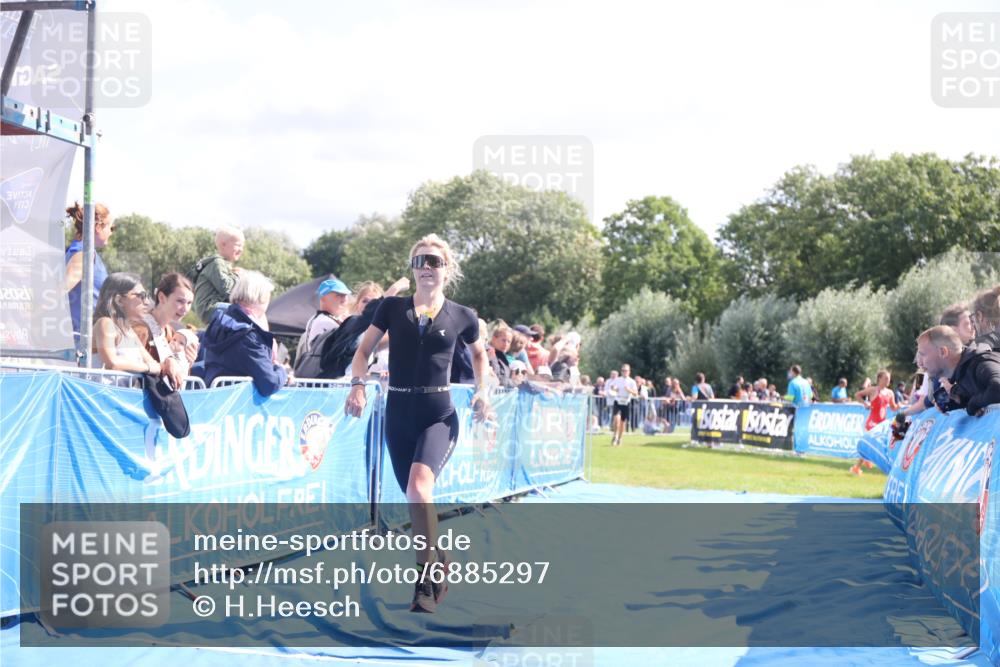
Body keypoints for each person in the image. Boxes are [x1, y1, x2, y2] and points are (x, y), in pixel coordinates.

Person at [344, 234, 491, 614]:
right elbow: (362, 353)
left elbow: (480, 357)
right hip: (398, 412)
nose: (427, 266)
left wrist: (483, 391)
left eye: (435, 261)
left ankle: (425, 581)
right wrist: (358, 385)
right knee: (414, 500)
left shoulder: (463, 316)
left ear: (447, 269)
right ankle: (438, 553)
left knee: (419, 488)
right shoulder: (390, 308)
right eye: (420, 260)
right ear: (412, 268)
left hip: (438, 414)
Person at [199, 270, 288, 397]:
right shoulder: (249, 337)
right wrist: (282, 372)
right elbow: (269, 383)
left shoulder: (220, 321)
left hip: (215, 400)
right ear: (260, 299)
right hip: (238, 408)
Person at [918, 325, 1000, 417]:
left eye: (922, 354)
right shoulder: (961, 374)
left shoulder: (980, 363)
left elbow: (997, 388)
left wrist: (972, 405)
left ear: (943, 352)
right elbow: (977, 392)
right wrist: (956, 401)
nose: (919, 363)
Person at [133, 273, 198, 390]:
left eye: (189, 303)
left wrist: (187, 361)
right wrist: (163, 366)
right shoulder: (141, 329)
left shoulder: (172, 333)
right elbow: (129, 366)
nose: (185, 309)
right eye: (180, 301)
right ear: (162, 297)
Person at [92, 273, 162, 376]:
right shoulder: (105, 323)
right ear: (119, 300)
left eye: (146, 296)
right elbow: (112, 363)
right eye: (141, 296)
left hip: (121, 391)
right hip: (103, 391)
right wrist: (148, 368)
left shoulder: (129, 331)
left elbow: (153, 364)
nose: (147, 302)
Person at [64, 202, 114, 338]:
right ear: (98, 227)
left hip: (88, 340)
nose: (111, 232)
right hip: (80, 343)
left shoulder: (84, 251)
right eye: (111, 227)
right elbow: (59, 291)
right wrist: (31, 315)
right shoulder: (83, 254)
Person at [191, 226, 244, 324]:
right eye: (238, 245)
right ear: (223, 244)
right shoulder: (217, 263)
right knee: (244, 312)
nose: (241, 249)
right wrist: (237, 276)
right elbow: (226, 289)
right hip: (209, 308)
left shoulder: (224, 265)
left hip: (217, 307)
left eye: (242, 247)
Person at [851, 369, 898, 475]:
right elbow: (857, 395)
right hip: (872, 422)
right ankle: (857, 467)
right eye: (886, 378)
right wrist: (865, 404)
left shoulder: (890, 393)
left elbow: (893, 407)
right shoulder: (873, 390)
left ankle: (865, 461)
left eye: (889, 379)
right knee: (872, 443)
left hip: (882, 423)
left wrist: (902, 406)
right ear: (879, 379)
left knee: (880, 444)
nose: (888, 381)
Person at [295, 278, 352, 365]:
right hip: (327, 375)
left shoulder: (316, 318)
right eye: (338, 295)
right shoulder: (324, 321)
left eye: (345, 295)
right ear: (323, 298)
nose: (344, 299)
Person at [606, 363, 638, 446]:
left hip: (626, 401)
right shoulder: (618, 379)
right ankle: (615, 436)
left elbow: (636, 393)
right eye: (623, 370)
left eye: (626, 371)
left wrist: (629, 390)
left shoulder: (632, 381)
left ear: (629, 372)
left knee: (623, 422)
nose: (624, 372)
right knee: (616, 419)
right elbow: (613, 387)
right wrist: (614, 388)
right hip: (618, 400)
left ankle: (620, 438)